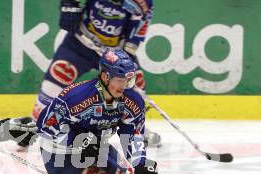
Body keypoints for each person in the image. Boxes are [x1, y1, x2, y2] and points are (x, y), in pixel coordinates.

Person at [35, 49, 163, 174]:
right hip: (61, 156)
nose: (126, 85)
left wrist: (142, 166)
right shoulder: (75, 97)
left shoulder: (131, 101)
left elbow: (133, 136)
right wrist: (75, 143)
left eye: (129, 80)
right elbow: (45, 128)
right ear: (105, 76)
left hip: (97, 147)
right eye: (121, 80)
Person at [27, 0, 161, 148]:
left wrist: (128, 53)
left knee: (136, 86)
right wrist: (69, 6)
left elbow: (137, 33)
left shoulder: (143, 3)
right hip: (79, 44)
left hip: (115, 53)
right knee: (53, 83)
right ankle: (34, 126)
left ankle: (137, 128)